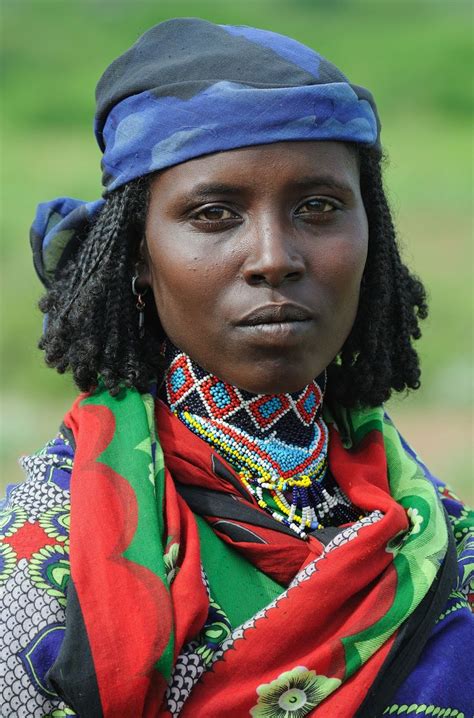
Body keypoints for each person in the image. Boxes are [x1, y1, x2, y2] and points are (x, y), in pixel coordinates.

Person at [1, 18, 472, 718]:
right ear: (138, 252)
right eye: (214, 213)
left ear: (371, 231)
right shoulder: (38, 559)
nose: (274, 257)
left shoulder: (438, 539)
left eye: (318, 207)